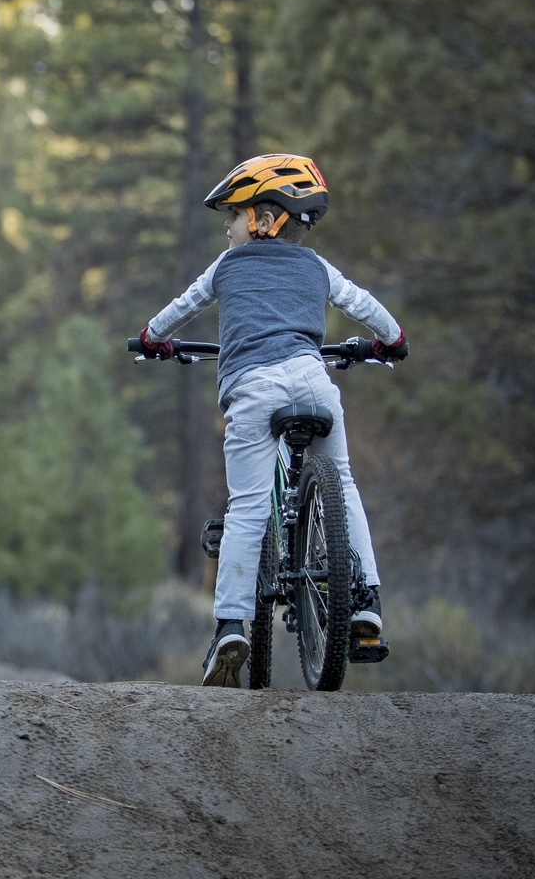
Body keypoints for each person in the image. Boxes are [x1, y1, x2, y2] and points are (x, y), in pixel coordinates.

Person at [137, 154, 407, 687]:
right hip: (314, 381)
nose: (226, 226)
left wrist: (152, 338)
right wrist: (391, 342)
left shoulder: (226, 267)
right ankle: (365, 601)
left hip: (252, 389)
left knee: (249, 507)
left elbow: (179, 309)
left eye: (233, 215)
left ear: (266, 217)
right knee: (344, 481)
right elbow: (368, 307)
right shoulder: (316, 267)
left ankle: (231, 626)